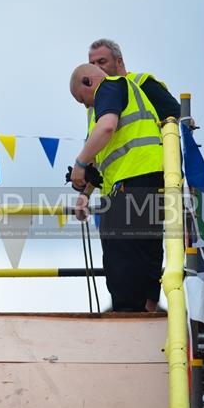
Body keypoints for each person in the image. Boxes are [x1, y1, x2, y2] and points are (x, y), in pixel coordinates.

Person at [69, 63, 164, 313]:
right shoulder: (129, 95)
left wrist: (79, 164)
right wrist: (85, 195)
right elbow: (103, 160)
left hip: (130, 183)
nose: (88, 107)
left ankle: (127, 319)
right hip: (150, 180)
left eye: (83, 100)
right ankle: (146, 312)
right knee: (146, 255)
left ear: (89, 82)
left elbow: (107, 126)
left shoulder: (109, 88)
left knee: (120, 260)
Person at [88, 38, 181, 122]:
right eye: (92, 64)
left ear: (119, 62)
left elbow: (180, 118)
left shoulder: (142, 83)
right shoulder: (92, 100)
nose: (96, 68)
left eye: (102, 62)